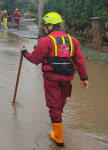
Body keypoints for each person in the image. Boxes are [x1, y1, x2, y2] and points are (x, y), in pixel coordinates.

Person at [20, 12, 89, 147]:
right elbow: (80, 60)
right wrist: (84, 78)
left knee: (54, 106)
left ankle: (58, 137)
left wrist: (24, 53)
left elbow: (35, 59)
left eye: (45, 26)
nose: (44, 29)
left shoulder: (46, 41)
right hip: (67, 78)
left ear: (51, 26)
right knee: (60, 103)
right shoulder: (72, 40)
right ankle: (58, 125)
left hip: (52, 79)